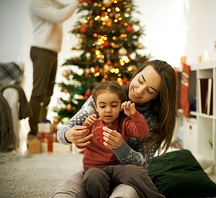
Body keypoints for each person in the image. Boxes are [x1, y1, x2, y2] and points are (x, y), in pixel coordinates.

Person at [54, 60, 177, 197]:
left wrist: (120, 147)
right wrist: (67, 135)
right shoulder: (105, 95)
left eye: (150, 90)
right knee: (66, 191)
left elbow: (142, 163)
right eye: (140, 80)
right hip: (95, 170)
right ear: (136, 74)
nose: (139, 90)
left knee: (125, 193)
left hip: (127, 175)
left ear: (156, 96)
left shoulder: (153, 121)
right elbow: (63, 131)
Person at [79, 81, 162, 197]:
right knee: (92, 178)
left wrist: (134, 114)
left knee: (137, 172)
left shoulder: (124, 122)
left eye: (113, 105)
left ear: (120, 106)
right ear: (96, 107)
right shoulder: (91, 121)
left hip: (119, 167)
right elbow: (79, 145)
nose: (108, 110)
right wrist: (86, 127)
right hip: (94, 168)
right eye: (103, 106)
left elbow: (143, 131)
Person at [28, 0, 83, 138]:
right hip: (42, 50)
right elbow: (60, 15)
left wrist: (78, 3)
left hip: (52, 51)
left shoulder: (50, 2)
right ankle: (34, 131)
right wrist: (75, 3)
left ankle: (42, 127)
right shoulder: (37, 3)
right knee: (39, 93)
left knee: (47, 93)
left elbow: (63, 6)